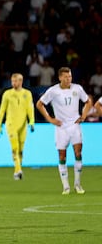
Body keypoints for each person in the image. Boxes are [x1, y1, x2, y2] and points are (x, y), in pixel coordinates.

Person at [35, 67, 93, 195]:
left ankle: (78, 185)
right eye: (66, 77)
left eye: (70, 76)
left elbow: (88, 102)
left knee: (78, 153)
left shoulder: (77, 88)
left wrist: (83, 115)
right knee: (62, 156)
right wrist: (50, 119)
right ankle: (66, 187)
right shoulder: (53, 91)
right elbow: (39, 104)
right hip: (61, 127)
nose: (69, 79)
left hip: (74, 125)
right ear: (60, 77)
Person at [0, 72, 36, 180]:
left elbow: (30, 109)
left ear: (20, 81)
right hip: (11, 125)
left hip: (23, 125)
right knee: (15, 148)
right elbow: (2, 110)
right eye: (12, 81)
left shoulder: (27, 94)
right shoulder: (7, 94)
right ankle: (18, 171)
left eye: (15, 81)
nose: (13, 83)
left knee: (21, 150)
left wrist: (31, 121)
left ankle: (18, 169)